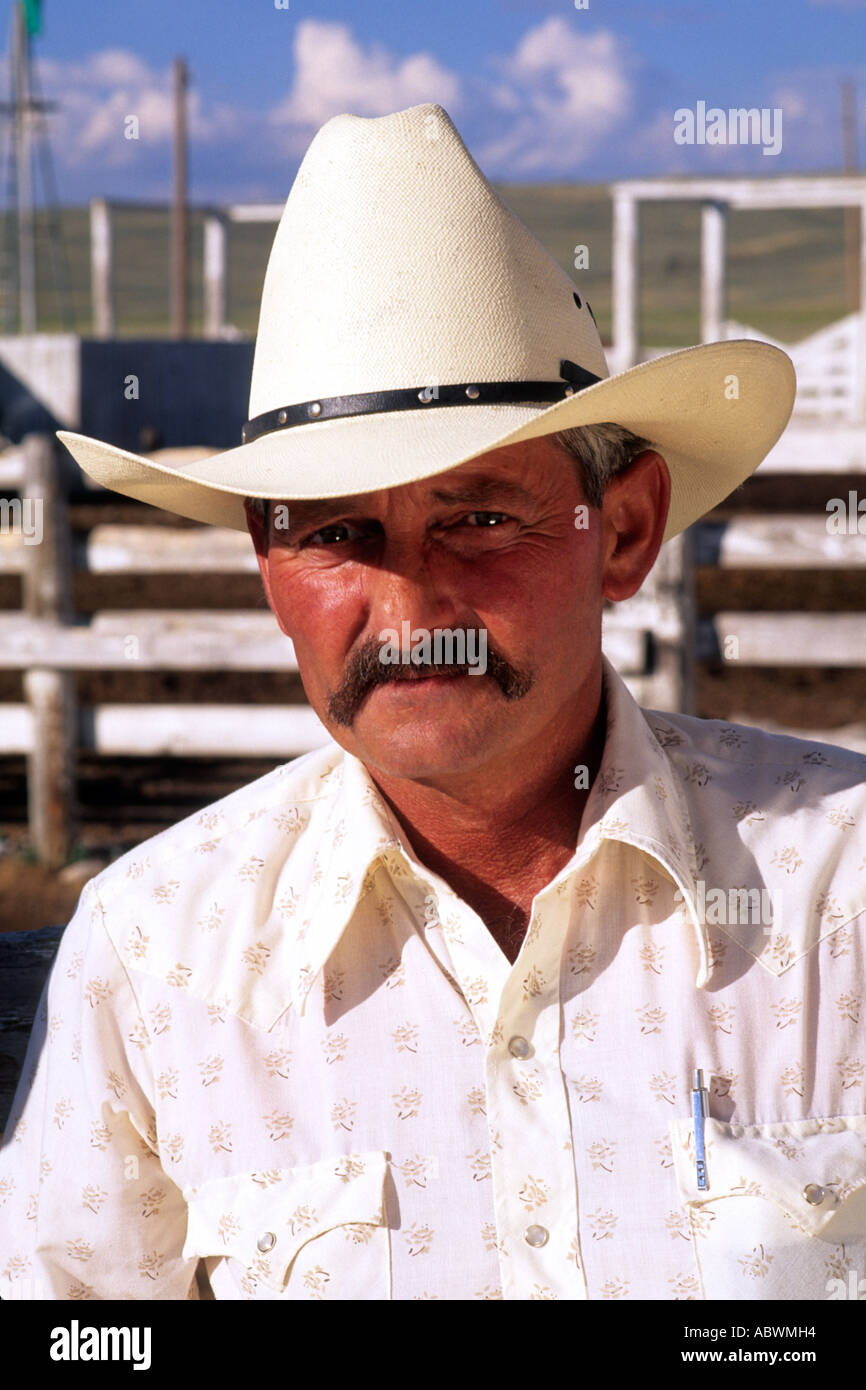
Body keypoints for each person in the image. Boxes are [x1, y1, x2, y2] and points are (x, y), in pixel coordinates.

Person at [1, 102, 865, 1303]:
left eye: (477, 517)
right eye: (338, 533)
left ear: (620, 531)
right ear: (268, 565)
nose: (410, 604)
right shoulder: (154, 954)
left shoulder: (842, 888)